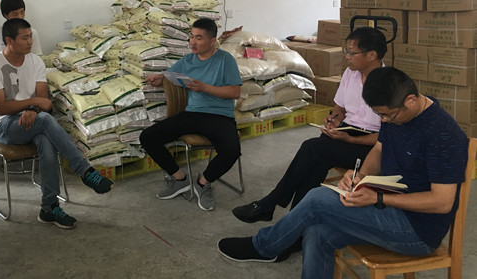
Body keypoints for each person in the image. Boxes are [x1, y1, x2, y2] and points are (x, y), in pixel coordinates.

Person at [217, 67, 468, 279]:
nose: (384, 121)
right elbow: (379, 150)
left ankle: (264, 246)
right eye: (379, 115)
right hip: (388, 206)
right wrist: (360, 176)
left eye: (386, 115)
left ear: (410, 100)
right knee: (317, 232)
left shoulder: (443, 135)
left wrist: (378, 198)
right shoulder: (396, 113)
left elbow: (442, 202)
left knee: (317, 199)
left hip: (416, 231)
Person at [232, 27, 386, 236]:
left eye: (352, 52)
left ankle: (272, 204)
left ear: (371, 55)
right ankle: (296, 224)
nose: (347, 57)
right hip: (347, 132)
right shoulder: (350, 73)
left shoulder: (388, 84)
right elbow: (340, 107)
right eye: (346, 51)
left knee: (312, 149)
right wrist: (334, 119)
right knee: (315, 160)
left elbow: (387, 139)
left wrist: (349, 139)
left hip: (370, 147)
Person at [0, 18, 114, 229]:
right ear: (9, 41)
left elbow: (43, 99)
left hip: (34, 120)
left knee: (45, 140)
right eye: (24, 38)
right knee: (45, 120)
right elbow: (1, 108)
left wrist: (32, 109)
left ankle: (49, 207)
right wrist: (33, 104)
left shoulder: (35, 61)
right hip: (4, 126)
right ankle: (84, 171)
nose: (30, 42)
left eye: (30, 37)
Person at [139, 18, 242, 212]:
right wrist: (159, 77)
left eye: (199, 38)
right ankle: (179, 180)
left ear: (212, 41)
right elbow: (170, 74)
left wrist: (204, 88)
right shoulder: (187, 60)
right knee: (148, 137)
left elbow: (234, 92)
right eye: (191, 37)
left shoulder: (225, 60)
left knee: (232, 150)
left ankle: (203, 183)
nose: (193, 42)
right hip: (193, 114)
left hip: (219, 115)